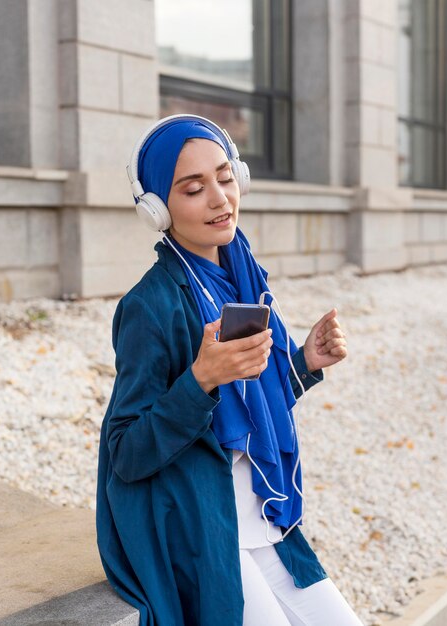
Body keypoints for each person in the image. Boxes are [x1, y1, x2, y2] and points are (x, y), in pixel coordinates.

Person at [95, 114, 363, 626]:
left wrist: (305, 361)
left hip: (260, 511)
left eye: (224, 177)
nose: (220, 199)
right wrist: (200, 379)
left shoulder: (242, 277)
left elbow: (253, 402)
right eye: (194, 189)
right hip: (200, 520)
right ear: (157, 209)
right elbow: (126, 453)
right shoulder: (149, 306)